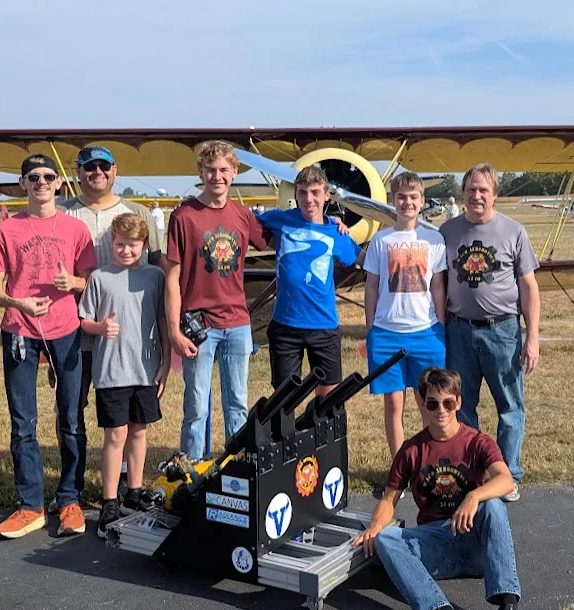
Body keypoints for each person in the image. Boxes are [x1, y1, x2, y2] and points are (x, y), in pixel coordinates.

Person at [353, 368, 528, 610]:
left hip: (475, 546)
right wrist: (374, 526)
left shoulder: (476, 441)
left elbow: (505, 479)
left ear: (458, 402)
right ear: (422, 404)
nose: (441, 410)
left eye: (448, 402)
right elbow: (389, 499)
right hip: (437, 547)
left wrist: (474, 495)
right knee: (386, 538)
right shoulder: (411, 450)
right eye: (432, 403)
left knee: (494, 504)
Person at [0, 154, 96, 539]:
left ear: (59, 183)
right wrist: (19, 302)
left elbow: (90, 282)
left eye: (48, 176)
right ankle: (30, 504)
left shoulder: (75, 229)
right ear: (22, 183)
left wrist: (74, 285)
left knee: (70, 418)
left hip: (65, 329)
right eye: (33, 177)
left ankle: (69, 499)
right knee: (23, 422)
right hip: (19, 330)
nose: (42, 182)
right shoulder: (6, 230)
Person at [62, 144, 164, 506]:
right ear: (79, 172)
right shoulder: (64, 213)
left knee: (134, 428)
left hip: (134, 349)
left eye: (104, 166)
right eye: (89, 167)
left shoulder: (136, 213)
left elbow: (160, 271)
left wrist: (166, 355)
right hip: (79, 331)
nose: (97, 172)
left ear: (115, 171)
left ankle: (129, 488)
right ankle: (71, 491)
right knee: (74, 414)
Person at [439, 164, 540, 503]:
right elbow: (436, 282)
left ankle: (508, 475)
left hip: (503, 331)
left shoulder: (514, 231)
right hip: (459, 330)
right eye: (471, 189)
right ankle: (472, 474)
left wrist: (533, 337)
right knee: (462, 408)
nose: (477, 195)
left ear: (494, 194)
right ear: (463, 193)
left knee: (510, 406)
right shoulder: (447, 231)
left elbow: (529, 286)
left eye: (483, 190)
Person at [165, 140, 268, 460]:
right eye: (210, 170)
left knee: (237, 403)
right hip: (199, 324)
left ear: (234, 173)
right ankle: (191, 472)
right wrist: (173, 330)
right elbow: (172, 276)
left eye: (224, 170)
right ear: (200, 172)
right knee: (196, 406)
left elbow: (277, 233)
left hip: (237, 322)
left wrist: (326, 219)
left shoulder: (242, 215)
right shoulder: (184, 216)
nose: (217, 176)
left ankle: (234, 469)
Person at [79, 213, 169, 537]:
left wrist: (167, 360)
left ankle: (134, 490)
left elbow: (162, 320)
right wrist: (100, 327)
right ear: (111, 244)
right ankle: (110, 500)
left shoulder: (155, 277)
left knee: (139, 433)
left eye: (132, 245)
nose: (126, 251)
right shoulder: (100, 278)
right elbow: (84, 320)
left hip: (144, 369)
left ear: (144, 245)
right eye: (120, 244)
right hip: (111, 370)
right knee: (115, 435)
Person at [363, 171, 447, 458]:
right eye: (401, 197)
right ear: (393, 201)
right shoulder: (381, 240)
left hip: (426, 331)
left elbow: (437, 285)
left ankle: (429, 464)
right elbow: (372, 285)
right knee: (394, 404)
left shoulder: (434, 239)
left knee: (429, 402)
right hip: (387, 333)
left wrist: (442, 324)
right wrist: (371, 328)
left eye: (413, 197)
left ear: (422, 201)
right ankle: (399, 468)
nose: (407, 203)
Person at [258, 165, 361, 396]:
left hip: (323, 325)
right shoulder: (279, 219)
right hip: (286, 325)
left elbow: (365, 260)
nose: (309, 199)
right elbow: (243, 221)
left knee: (329, 399)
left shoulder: (336, 231)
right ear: (295, 194)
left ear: (326, 194)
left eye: (315, 192)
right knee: (283, 399)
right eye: (302, 192)